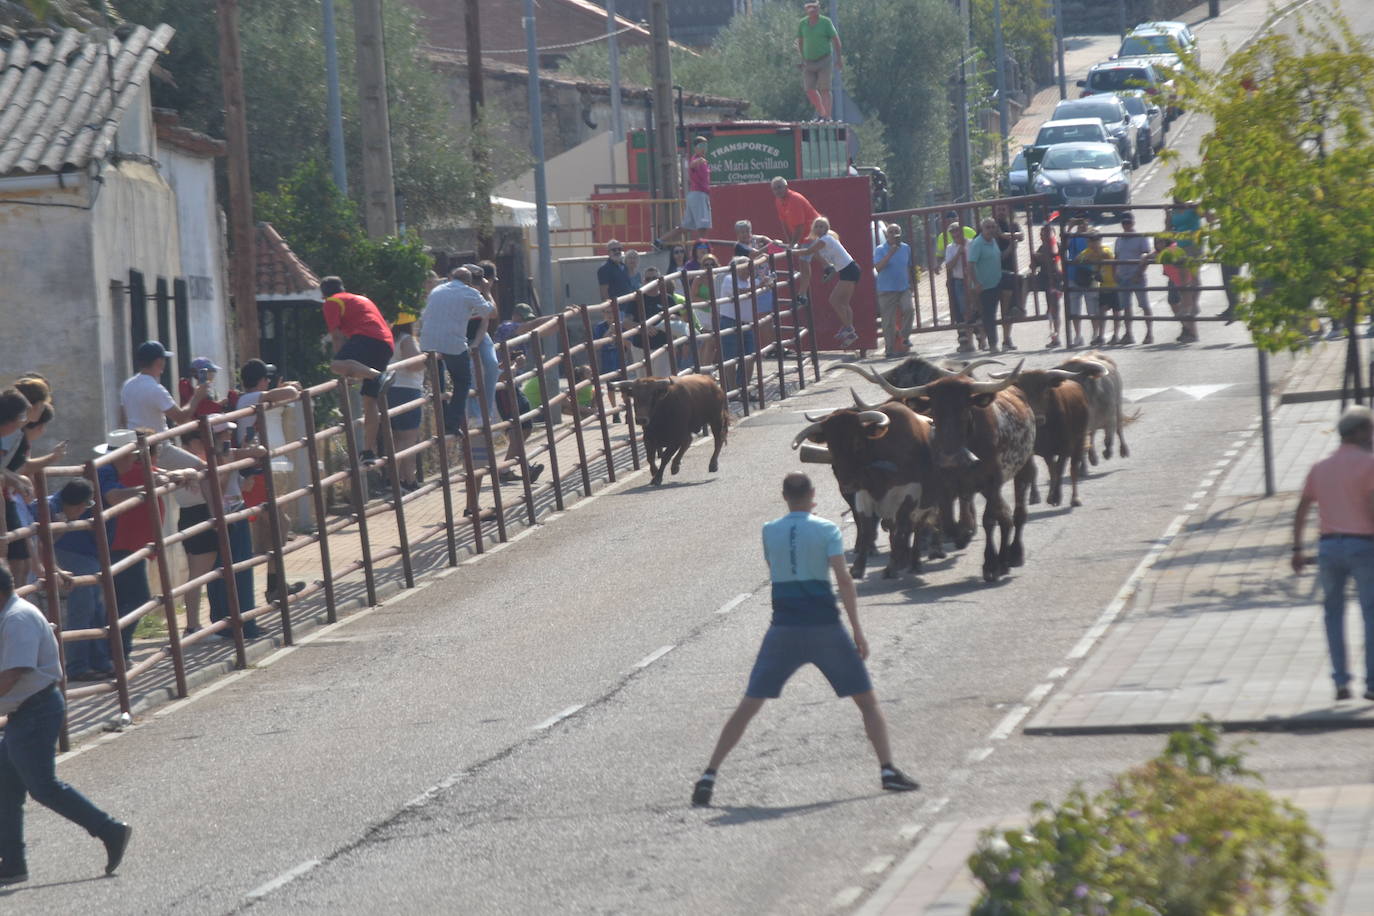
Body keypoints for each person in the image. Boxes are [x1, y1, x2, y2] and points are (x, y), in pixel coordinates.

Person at [690, 472, 919, 807]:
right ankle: (887, 770)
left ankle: (709, 775)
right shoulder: (827, 530)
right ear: (813, 495)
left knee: (749, 705)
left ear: (785, 497)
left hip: (783, 628)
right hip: (825, 626)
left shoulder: (769, 531)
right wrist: (857, 629)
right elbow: (843, 580)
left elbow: (774, 565)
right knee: (867, 702)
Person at [0, 566, 133, 886]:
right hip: (27, 711)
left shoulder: (17, 619)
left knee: (43, 786)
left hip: (36, 710)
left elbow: (12, 674)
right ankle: (13, 862)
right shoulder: (10, 616)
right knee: (5, 786)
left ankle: (109, 829)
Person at [1292, 405, 1374, 701]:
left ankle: (1340, 681)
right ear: (1361, 432)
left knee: (1333, 614)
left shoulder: (1320, 467)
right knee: (1370, 614)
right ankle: (1372, 683)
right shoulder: (1369, 464)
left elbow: (1302, 508)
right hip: (1364, 545)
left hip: (1328, 547)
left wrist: (1297, 548)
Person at [229, 361, 303, 603]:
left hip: (261, 470)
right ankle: (273, 585)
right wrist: (288, 387)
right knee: (279, 525)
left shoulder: (246, 399)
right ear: (262, 381)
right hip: (258, 472)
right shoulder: (253, 398)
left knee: (276, 525)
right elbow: (292, 393)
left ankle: (275, 584)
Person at [320, 277, 396, 467]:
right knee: (370, 401)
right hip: (386, 344)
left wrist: (343, 366)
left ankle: (377, 376)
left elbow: (337, 337)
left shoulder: (332, 302)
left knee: (335, 365)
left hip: (367, 339)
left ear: (323, 294)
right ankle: (368, 451)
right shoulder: (360, 298)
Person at [422, 266, 497, 447]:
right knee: (462, 381)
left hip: (428, 344)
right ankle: (452, 424)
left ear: (450, 277)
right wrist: (487, 292)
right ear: (469, 281)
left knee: (439, 389)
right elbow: (492, 313)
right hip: (453, 345)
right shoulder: (469, 292)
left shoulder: (436, 291)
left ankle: (442, 423)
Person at [46, 479, 114, 680]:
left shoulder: (56, 506)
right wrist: (56, 568)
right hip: (69, 554)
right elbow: (41, 544)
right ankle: (78, 666)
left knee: (93, 608)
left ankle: (97, 661)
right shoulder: (49, 508)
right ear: (80, 505)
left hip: (75, 554)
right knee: (83, 609)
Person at [792, 216, 859, 348]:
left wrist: (790, 251)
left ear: (827, 229)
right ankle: (850, 331)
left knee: (834, 300)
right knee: (844, 303)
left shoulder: (825, 239)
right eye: (816, 226)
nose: (819, 228)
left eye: (822, 226)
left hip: (849, 270)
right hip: (849, 269)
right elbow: (814, 253)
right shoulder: (820, 241)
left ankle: (849, 329)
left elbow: (807, 251)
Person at [120, 340, 211, 431]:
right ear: (159, 361)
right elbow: (181, 418)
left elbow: (123, 420)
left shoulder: (127, 385)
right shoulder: (155, 389)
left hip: (134, 442)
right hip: (159, 443)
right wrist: (197, 396)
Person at [386, 312, 426, 492]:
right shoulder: (406, 339)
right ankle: (408, 479)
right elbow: (414, 364)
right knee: (408, 439)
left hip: (389, 390)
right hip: (407, 390)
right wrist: (426, 357)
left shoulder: (387, 338)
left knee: (396, 438)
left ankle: (397, 479)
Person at [655, 137, 713, 249]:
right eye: (701, 146)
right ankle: (702, 250)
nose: (704, 149)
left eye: (705, 146)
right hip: (699, 195)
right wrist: (698, 161)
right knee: (703, 227)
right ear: (695, 148)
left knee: (685, 227)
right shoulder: (697, 160)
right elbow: (692, 165)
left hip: (695, 196)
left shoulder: (700, 160)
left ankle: (660, 240)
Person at [771, 177, 820, 306]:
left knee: (803, 262)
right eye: (775, 188)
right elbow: (784, 223)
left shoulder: (794, 200)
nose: (777, 191)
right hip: (805, 234)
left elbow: (800, 226)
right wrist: (790, 242)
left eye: (780, 187)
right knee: (807, 256)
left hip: (813, 231)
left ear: (786, 187)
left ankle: (802, 295)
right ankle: (828, 267)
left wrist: (792, 244)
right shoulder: (778, 201)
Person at [873, 222, 914, 358]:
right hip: (886, 289)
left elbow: (908, 266)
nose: (894, 234)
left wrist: (910, 283)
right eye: (891, 232)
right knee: (888, 321)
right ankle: (889, 349)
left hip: (903, 287)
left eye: (896, 231)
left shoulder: (906, 248)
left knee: (909, 309)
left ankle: (904, 336)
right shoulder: (880, 249)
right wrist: (890, 254)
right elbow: (878, 268)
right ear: (886, 234)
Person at [1113, 214, 1155, 345]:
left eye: (1128, 222)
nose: (1126, 225)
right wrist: (1115, 273)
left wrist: (1139, 273)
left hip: (1137, 276)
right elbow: (1116, 257)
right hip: (1122, 276)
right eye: (1124, 222)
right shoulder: (1119, 239)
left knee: (1144, 305)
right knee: (1126, 306)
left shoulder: (1140, 237)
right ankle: (1129, 333)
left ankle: (1149, 333)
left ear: (1133, 223)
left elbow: (1146, 256)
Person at [796, 1, 842, 121]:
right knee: (809, 90)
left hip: (824, 60)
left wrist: (839, 59)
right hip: (808, 62)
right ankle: (822, 113)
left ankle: (827, 117)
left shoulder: (825, 22)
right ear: (806, 9)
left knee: (825, 89)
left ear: (819, 9)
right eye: (810, 8)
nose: (813, 10)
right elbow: (800, 42)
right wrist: (802, 58)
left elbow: (836, 40)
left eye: (815, 7)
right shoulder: (803, 23)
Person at [967, 218, 1007, 353]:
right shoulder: (977, 243)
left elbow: (998, 257)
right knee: (990, 315)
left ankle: (1016, 307)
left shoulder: (993, 241)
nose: (990, 230)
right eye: (987, 227)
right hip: (984, 285)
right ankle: (993, 345)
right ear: (982, 229)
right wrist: (976, 283)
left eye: (992, 227)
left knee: (1018, 280)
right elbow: (970, 264)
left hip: (997, 280)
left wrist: (1012, 247)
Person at [991, 202, 1025, 351]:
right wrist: (1009, 242)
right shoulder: (989, 225)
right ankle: (988, 341)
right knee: (989, 309)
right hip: (990, 272)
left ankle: (1006, 339)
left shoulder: (1012, 225)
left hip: (1009, 270)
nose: (1001, 211)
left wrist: (1003, 235)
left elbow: (1021, 235)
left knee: (1007, 308)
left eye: (1003, 209)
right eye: (999, 209)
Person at [1072, 231, 1116, 347]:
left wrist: (1092, 255)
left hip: (1114, 283)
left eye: (1094, 241)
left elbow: (1106, 255)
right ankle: (1100, 336)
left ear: (1099, 241)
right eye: (1090, 241)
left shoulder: (1105, 249)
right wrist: (1086, 257)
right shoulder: (1088, 251)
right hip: (1103, 284)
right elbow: (1077, 259)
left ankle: (1116, 335)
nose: (1091, 243)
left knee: (1116, 311)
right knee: (1102, 311)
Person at [1030, 224, 1064, 348]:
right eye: (1042, 233)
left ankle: (1057, 337)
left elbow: (1057, 262)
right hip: (1045, 281)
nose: (1043, 235)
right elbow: (1033, 266)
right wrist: (1034, 259)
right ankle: (1054, 336)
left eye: (1047, 233)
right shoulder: (1041, 247)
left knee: (1055, 309)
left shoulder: (1057, 246)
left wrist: (1042, 258)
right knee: (1051, 309)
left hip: (1056, 280)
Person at [597, 240, 634, 307]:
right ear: (608, 252)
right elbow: (604, 293)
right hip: (616, 309)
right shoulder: (604, 269)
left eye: (619, 249)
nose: (617, 251)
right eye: (614, 250)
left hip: (628, 307)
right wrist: (609, 310)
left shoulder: (624, 266)